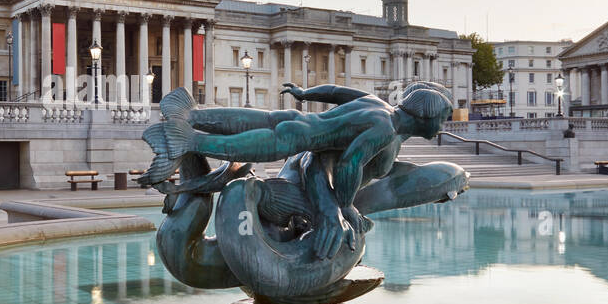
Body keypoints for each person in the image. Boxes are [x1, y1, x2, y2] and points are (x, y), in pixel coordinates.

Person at [142, 81, 454, 242]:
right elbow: (350, 164)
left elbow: (334, 91)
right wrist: (344, 206)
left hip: (299, 119)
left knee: (255, 120)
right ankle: (187, 140)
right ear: (425, 117)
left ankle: (190, 115)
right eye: (442, 118)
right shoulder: (385, 129)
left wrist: (304, 94)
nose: (443, 125)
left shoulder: (378, 105)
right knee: (243, 146)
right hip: (301, 140)